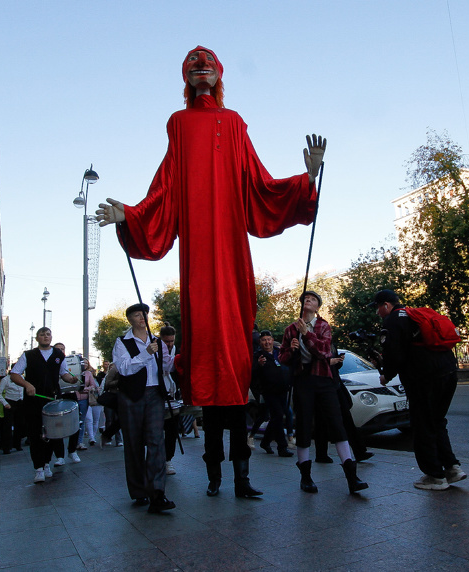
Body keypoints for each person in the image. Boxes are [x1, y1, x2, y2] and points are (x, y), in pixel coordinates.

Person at [95, 46, 326, 498]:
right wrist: (132, 215)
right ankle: (218, 478)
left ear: (219, 73)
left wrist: (306, 179)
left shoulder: (235, 122)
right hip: (199, 252)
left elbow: (258, 182)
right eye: (192, 63)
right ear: (186, 76)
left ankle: (240, 478)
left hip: (233, 250)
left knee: (236, 366)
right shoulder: (178, 124)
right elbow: (165, 186)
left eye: (208, 62)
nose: (201, 66)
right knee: (207, 358)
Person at [372, 289, 466, 491]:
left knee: (422, 424)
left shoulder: (392, 320)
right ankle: (452, 468)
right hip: (448, 372)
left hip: (424, 378)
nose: (378, 313)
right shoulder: (414, 314)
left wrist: (385, 374)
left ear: (386, 305)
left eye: (378, 308)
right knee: (437, 421)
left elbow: (395, 355)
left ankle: (435, 476)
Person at [280, 291, 367, 495]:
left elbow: (324, 352)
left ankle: (352, 476)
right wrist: (291, 350)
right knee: (303, 426)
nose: (308, 301)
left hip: (324, 381)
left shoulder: (323, 326)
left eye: (313, 299)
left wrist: (306, 334)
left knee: (336, 425)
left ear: (317, 307)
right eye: (306, 299)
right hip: (303, 382)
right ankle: (306, 476)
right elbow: (282, 357)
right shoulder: (290, 329)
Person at [112, 303, 175, 513]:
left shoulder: (157, 341)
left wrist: (169, 353)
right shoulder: (122, 342)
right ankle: (139, 490)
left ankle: (157, 493)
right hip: (131, 397)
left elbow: (166, 367)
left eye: (144, 315)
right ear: (129, 319)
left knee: (157, 441)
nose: (142, 318)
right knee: (134, 443)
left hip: (155, 394)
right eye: (138, 315)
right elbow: (123, 368)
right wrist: (146, 353)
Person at [9, 327, 81, 483]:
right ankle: (38, 468)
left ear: (51, 337)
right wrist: (27, 385)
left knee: (52, 433)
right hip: (33, 399)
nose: (46, 337)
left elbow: (64, 373)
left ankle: (47, 463)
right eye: (42, 334)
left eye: (48, 334)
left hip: (53, 399)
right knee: (35, 433)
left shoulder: (58, 355)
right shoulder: (28, 355)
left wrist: (72, 379)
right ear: (37, 338)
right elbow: (14, 374)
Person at [251, 331, 293, 457]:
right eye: (264, 340)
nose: (267, 342)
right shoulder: (257, 356)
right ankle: (282, 447)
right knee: (278, 416)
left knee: (277, 417)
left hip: (282, 389)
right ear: (260, 342)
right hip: (269, 391)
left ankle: (265, 441)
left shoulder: (279, 351)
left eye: (268, 339)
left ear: (272, 340)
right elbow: (252, 373)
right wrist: (259, 365)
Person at [158, 326, 182, 475]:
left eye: (171, 341)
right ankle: (157, 458)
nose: (169, 344)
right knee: (156, 430)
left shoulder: (177, 351)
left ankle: (168, 459)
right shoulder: (155, 350)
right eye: (166, 341)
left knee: (172, 429)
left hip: (173, 394)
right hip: (157, 393)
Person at [0, 371, 25, 454]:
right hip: (10, 403)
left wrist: (22, 400)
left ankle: (17, 444)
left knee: (19, 424)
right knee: (7, 426)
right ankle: (6, 447)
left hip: (19, 402)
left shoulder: (21, 378)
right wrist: (5, 403)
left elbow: (22, 390)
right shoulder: (5, 380)